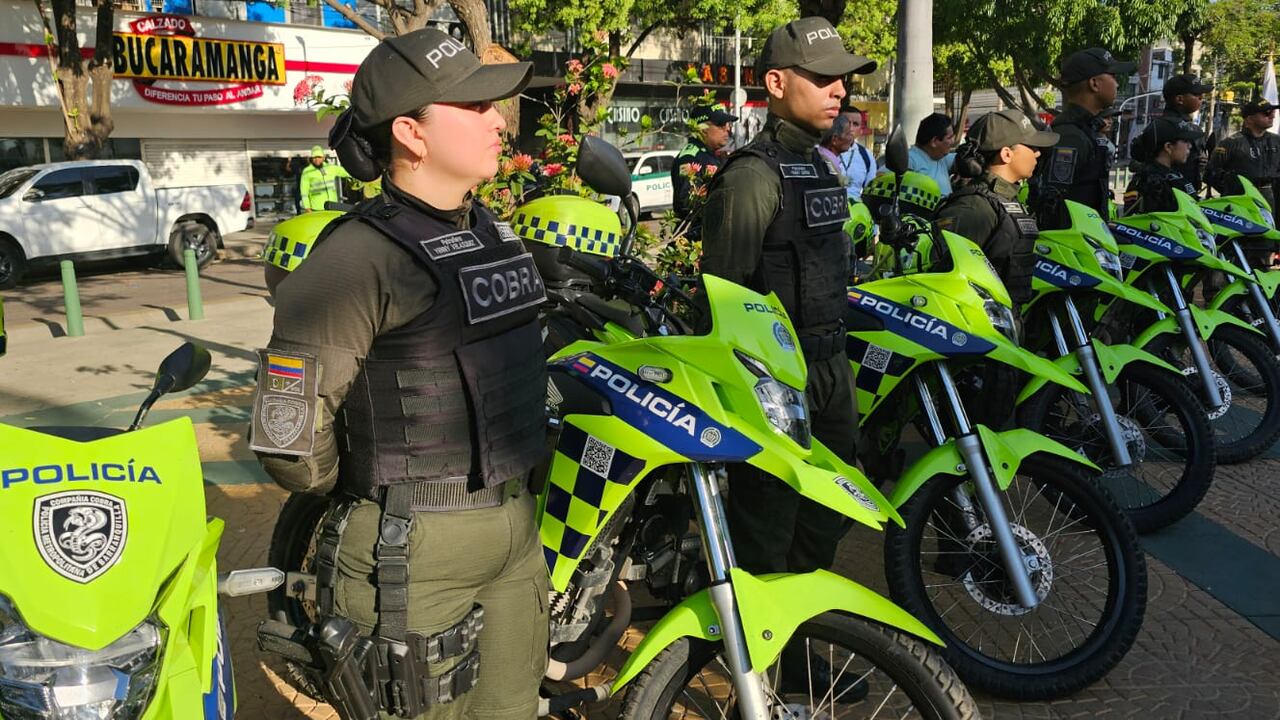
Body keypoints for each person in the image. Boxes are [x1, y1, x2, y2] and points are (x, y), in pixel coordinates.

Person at [250, 28, 548, 720]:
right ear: (411, 134)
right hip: (408, 553)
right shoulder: (357, 259)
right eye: (472, 108)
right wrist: (363, 491)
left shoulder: (492, 233)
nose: (498, 120)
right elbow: (288, 436)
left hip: (513, 532)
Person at [701, 14, 874, 579]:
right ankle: (769, 663)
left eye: (842, 79)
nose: (840, 90)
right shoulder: (752, 176)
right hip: (776, 383)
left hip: (831, 368)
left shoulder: (819, 167)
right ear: (776, 85)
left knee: (827, 519)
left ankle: (799, 654)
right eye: (824, 78)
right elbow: (723, 297)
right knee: (767, 533)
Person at [935, 108, 1059, 306]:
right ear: (1006, 154)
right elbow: (943, 279)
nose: (1037, 153)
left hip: (1006, 321)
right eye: (1031, 146)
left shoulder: (1007, 199)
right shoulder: (975, 207)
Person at [1031, 47, 1135, 228]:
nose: (1117, 84)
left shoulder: (1088, 130)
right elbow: (1055, 203)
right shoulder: (1071, 136)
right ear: (1094, 83)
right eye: (1113, 77)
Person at [671, 104, 737, 237]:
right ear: (703, 128)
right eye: (720, 125)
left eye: (727, 124)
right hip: (694, 240)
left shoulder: (712, 156)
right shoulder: (690, 158)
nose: (727, 130)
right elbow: (687, 203)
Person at [1207, 99, 1280, 210]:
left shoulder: (1277, 141)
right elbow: (1211, 173)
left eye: (1273, 112)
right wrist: (1234, 189)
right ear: (1249, 119)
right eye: (1267, 113)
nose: (1272, 116)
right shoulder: (1230, 143)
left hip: (1272, 199)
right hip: (1241, 202)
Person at [1123, 116, 1201, 215]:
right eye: (1185, 141)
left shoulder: (1175, 174)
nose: (1190, 146)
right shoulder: (1147, 180)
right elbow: (1135, 220)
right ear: (1168, 147)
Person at [1161, 74, 1213, 190]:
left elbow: (1200, 159)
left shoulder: (1195, 129)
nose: (1201, 98)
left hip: (1190, 191)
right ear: (1180, 99)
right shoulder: (1161, 127)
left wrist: (1202, 161)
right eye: (1196, 94)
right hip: (1168, 194)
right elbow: (1137, 161)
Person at [908, 112, 957, 196]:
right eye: (949, 138)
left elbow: (964, 159)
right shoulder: (910, 160)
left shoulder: (942, 158)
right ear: (934, 141)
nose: (953, 141)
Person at [837, 105, 877, 202]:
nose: (850, 128)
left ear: (860, 129)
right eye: (846, 122)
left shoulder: (866, 155)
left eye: (855, 124)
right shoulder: (821, 151)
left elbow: (870, 191)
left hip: (857, 213)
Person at [298, 144, 351, 212]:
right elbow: (304, 192)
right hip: (317, 207)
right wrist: (307, 208)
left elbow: (347, 172)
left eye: (319, 157)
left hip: (333, 205)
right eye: (314, 157)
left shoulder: (330, 168)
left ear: (323, 158)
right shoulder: (307, 171)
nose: (317, 159)